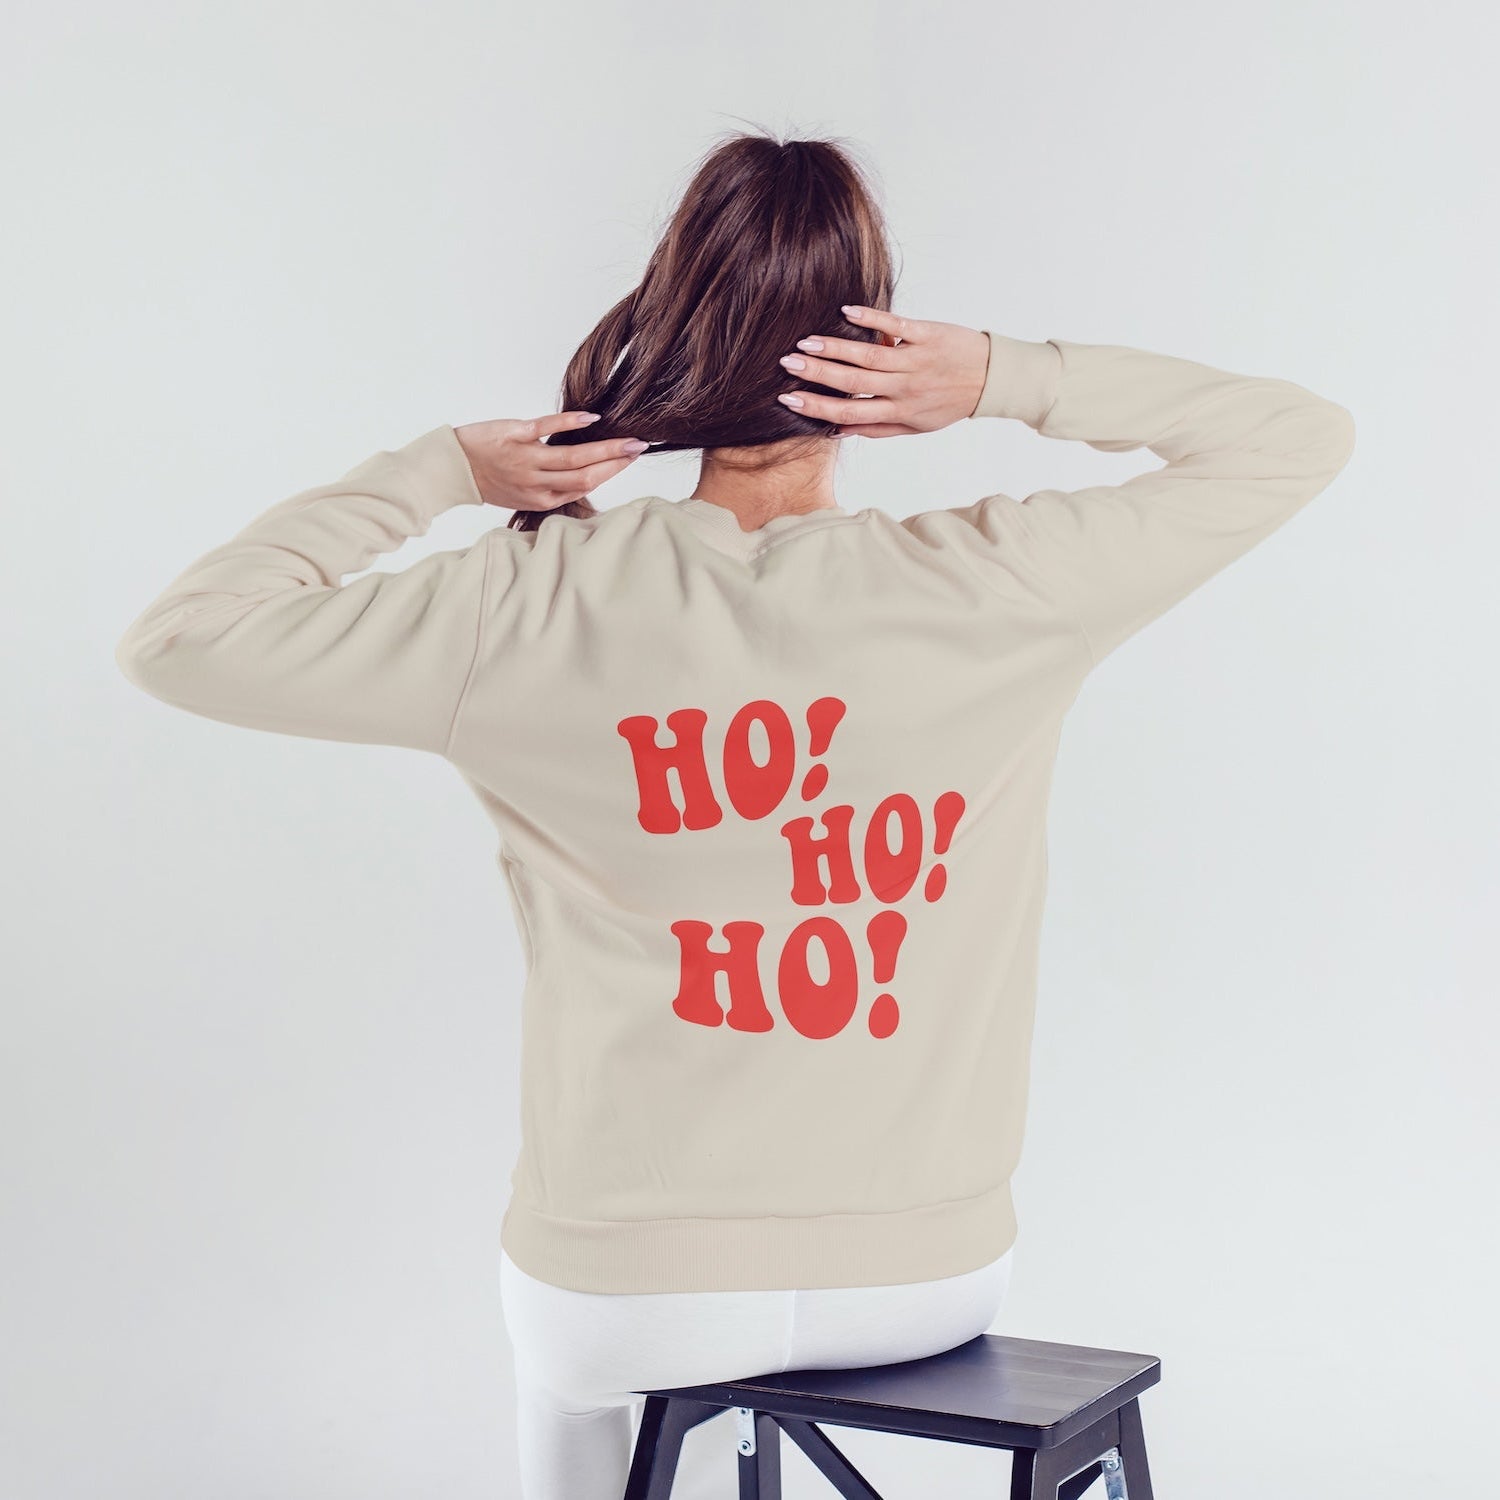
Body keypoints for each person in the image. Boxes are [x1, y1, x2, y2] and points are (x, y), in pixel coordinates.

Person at [114, 129, 1356, 1499]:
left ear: (673, 321)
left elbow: (180, 643)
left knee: (576, 1377)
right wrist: (1003, 376)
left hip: (625, 1282)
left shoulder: (524, 604)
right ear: (872, 354)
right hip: (923, 1270)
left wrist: (444, 471)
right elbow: (1299, 437)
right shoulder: (1007, 584)